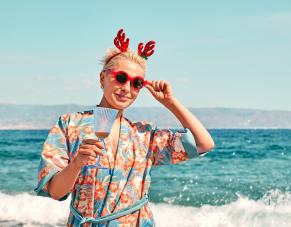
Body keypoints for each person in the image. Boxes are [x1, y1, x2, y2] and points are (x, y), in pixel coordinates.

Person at [34, 28, 215, 227]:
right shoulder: (70, 125)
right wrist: (77, 163)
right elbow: (55, 192)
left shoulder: (144, 135)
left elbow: (203, 143)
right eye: (121, 78)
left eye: (136, 83)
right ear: (103, 78)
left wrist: (170, 102)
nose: (126, 88)